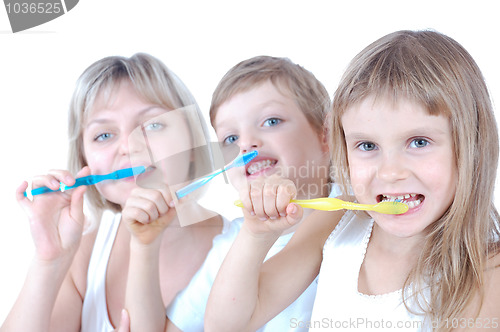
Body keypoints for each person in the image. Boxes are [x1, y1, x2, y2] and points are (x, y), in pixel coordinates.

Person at [205, 30, 500, 331]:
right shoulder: (336, 222)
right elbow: (227, 324)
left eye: (419, 142)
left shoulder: (488, 270)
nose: (389, 172)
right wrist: (256, 234)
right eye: (368, 146)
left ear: (472, 143)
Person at [0, 53, 224, 332]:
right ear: (85, 161)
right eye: (104, 135)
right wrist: (49, 260)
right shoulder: (83, 253)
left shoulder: (244, 242)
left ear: (193, 140)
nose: (129, 146)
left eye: (153, 125)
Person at [128, 55, 337, 331]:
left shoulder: (360, 216)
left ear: (326, 135)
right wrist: (144, 246)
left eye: (271, 121)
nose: (247, 143)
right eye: (231, 138)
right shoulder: (228, 247)